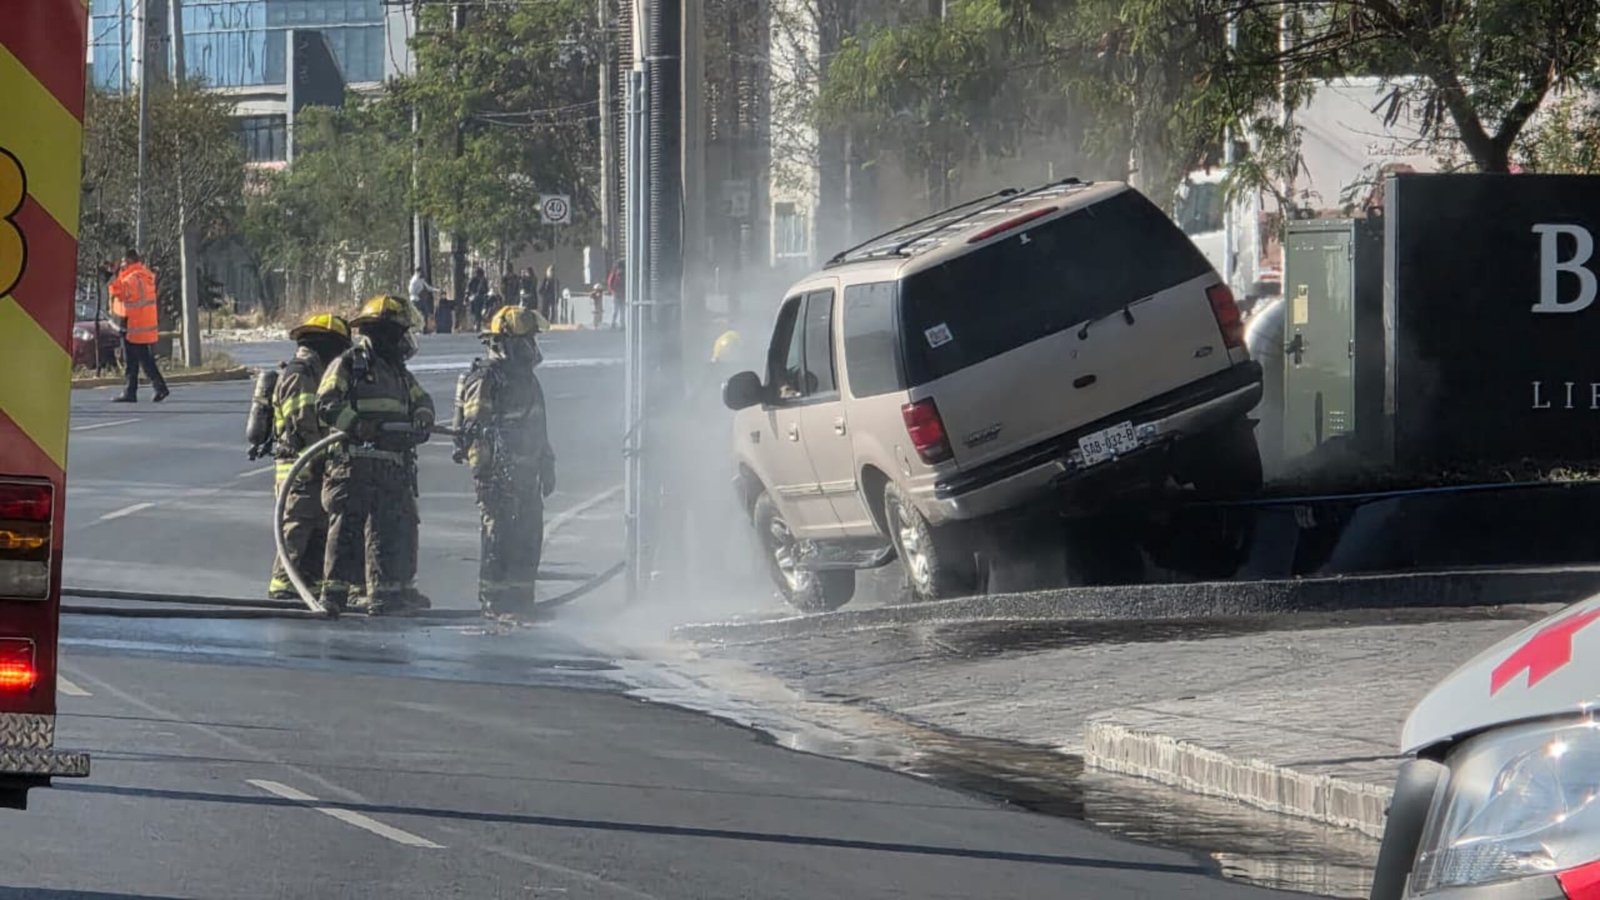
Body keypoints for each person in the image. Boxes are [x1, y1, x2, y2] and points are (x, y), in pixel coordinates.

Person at [316, 295, 435, 616]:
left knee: (388, 531)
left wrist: (423, 417)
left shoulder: (399, 373)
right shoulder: (349, 364)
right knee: (346, 532)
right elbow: (326, 403)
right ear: (383, 333)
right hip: (353, 463)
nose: (403, 341)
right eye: (399, 333)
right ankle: (334, 596)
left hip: (391, 466)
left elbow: (422, 399)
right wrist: (357, 426)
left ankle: (385, 596)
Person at [452, 306, 556, 621]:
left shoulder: (529, 381)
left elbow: (540, 428)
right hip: (497, 477)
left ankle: (522, 600)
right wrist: (489, 470)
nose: (531, 347)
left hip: (527, 477)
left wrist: (547, 462)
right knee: (500, 537)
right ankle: (494, 603)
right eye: (526, 340)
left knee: (528, 537)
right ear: (505, 342)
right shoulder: (487, 378)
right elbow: (473, 429)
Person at [267, 313, 352, 601]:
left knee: (317, 525)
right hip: (298, 465)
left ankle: (309, 585)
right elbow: (303, 420)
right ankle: (283, 584)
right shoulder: (299, 374)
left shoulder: (316, 371)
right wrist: (323, 452)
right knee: (297, 525)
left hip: (312, 462)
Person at [107, 248, 169, 403]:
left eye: (123, 262)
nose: (121, 265)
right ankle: (153, 388)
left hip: (132, 326)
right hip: (140, 324)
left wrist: (111, 277)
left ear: (128, 261)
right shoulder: (143, 275)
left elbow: (119, 292)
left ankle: (137, 390)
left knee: (134, 360)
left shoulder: (132, 279)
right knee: (141, 359)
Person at [467, 265, 490, 331]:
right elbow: (469, 288)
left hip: (480, 297)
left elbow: (486, 289)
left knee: (479, 311)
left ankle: (478, 324)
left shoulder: (483, 280)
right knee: (477, 312)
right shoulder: (474, 280)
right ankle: (477, 324)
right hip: (476, 297)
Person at [606, 260, 625, 330]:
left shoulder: (624, 275)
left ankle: (622, 324)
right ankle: (613, 323)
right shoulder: (614, 274)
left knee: (622, 311)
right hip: (617, 295)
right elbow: (610, 284)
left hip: (622, 295)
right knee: (616, 310)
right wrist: (613, 292)